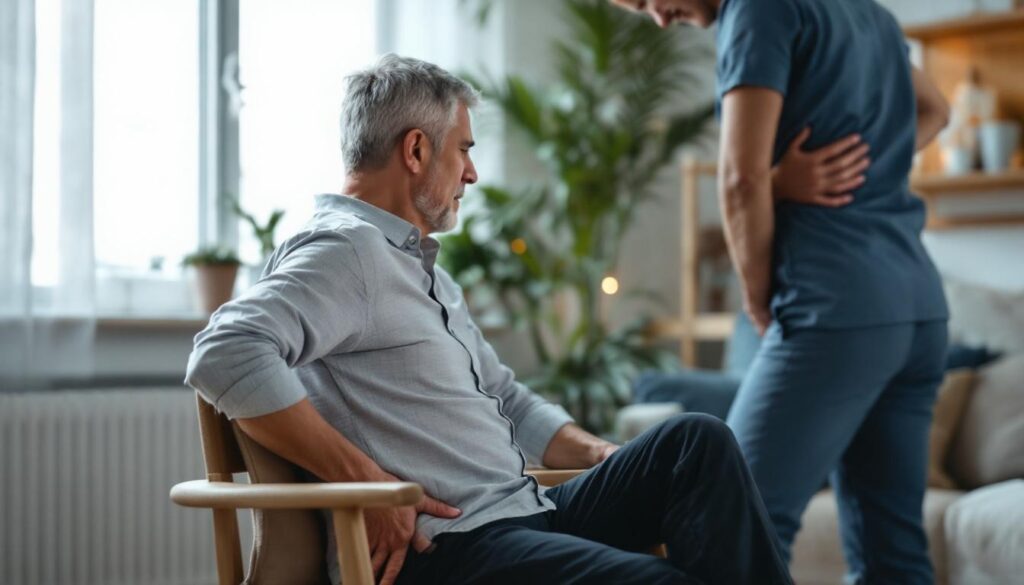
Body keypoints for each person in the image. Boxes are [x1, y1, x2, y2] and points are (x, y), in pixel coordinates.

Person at [185, 54, 792, 585]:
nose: (471, 173)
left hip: (524, 516)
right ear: (417, 150)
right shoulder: (347, 251)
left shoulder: (418, 268)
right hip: (450, 548)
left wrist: (597, 453)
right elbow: (225, 348)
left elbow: (505, 397)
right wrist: (369, 486)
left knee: (695, 441)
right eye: (465, 150)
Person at [612, 1, 951, 583]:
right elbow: (935, 109)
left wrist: (756, 296)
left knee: (726, 523)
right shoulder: (865, 11)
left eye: (646, 0)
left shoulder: (756, 10)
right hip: (917, 307)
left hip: (834, 306)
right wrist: (870, 164)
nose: (658, 19)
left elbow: (739, 181)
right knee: (892, 552)